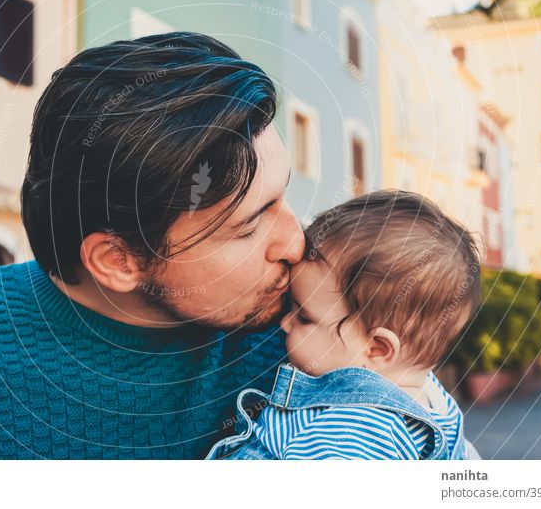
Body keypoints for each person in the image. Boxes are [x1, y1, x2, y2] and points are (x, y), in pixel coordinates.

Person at [0, 32, 305, 459]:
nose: (296, 242)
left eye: (285, 196)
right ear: (118, 260)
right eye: (248, 228)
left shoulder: (318, 334)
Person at [206, 191, 482, 460]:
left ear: (377, 348)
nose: (285, 322)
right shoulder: (438, 404)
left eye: (304, 317)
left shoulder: (354, 430)